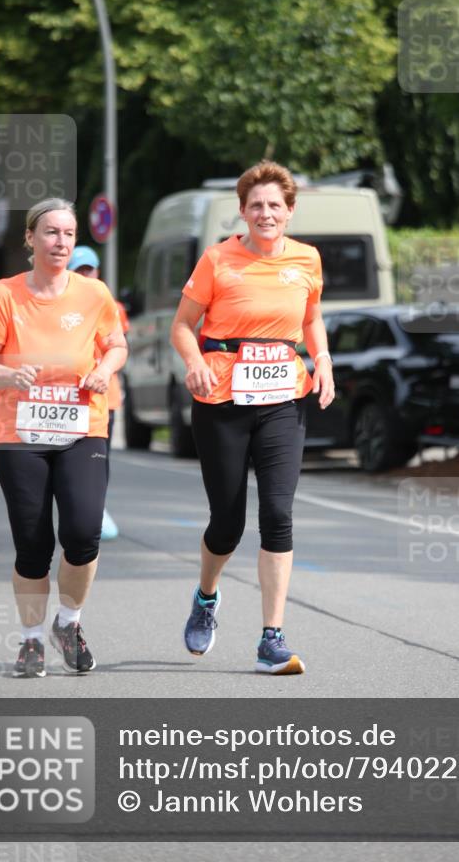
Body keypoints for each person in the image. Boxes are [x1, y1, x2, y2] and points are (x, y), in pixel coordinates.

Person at [170, 160, 335, 675]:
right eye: (256, 205)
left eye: (275, 205)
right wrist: (194, 361)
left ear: (289, 212)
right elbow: (182, 326)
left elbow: (310, 318)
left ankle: (272, 638)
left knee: (279, 514)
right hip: (221, 401)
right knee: (227, 523)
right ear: (242, 211)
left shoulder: (307, 259)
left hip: (284, 398)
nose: (266, 213)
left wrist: (323, 360)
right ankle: (206, 596)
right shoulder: (218, 259)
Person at [0, 198, 127, 679]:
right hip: (21, 433)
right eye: (51, 233)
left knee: (82, 532)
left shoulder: (94, 293)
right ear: (31, 238)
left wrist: (103, 368)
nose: (61, 242)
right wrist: (8, 375)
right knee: (33, 546)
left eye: (69, 234)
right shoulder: (4, 295)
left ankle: (69, 624)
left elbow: (117, 345)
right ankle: (32, 641)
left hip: (82, 428)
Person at [67, 245, 130, 540]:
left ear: (97, 272)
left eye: (88, 270)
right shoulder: (59, 303)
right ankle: (73, 505)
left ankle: (96, 507)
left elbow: (117, 345)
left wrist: (101, 370)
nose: (85, 275)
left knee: (97, 459)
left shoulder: (111, 306)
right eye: (78, 270)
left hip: (104, 397)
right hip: (65, 396)